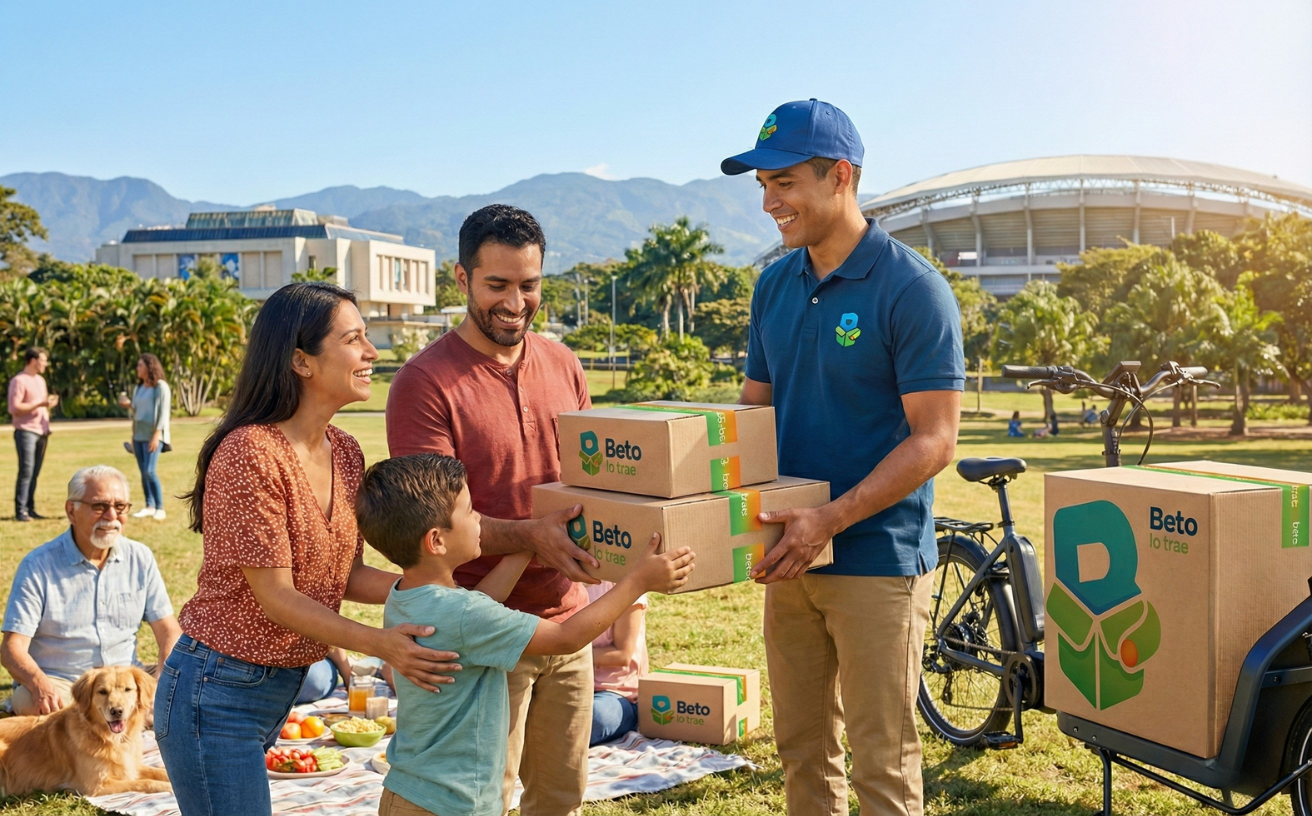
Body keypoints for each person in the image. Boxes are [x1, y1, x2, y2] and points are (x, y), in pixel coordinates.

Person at [723, 100, 963, 816]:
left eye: (786, 182)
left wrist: (827, 519)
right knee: (801, 748)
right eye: (763, 185)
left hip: (876, 563)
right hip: (788, 555)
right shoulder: (773, 285)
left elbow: (935, 440)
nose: (769, 202)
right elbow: (753, 413)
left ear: (841, 177)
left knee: (881, 763)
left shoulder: (913, 289)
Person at [154, 282, 461, 816]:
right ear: (301, 360)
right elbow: (277, 595)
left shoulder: (345, 450)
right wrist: (381, 643)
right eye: (354, 340)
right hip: (215, 694)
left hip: (274, 689)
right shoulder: (250, 453)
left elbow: (343, 574)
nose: (372, 353)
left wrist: (442, 595)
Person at [386, 204, 600, 816]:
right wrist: (534, 533)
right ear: (462, 280)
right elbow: (433, 521)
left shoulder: (564, 364)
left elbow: (589, 481)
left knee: (561, 795)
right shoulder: (424, 383)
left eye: (529, 285)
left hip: (565, 618)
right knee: (483, 800)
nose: (515, 302)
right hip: (476, 636)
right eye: (497, 286)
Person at [354, 453, 694, 816]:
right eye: (470, 512)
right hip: (451, 803)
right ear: (436, 541)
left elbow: (477, 604)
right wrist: (637, 581)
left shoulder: (406, 596)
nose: (478, 519)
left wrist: (529, 541)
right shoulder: (465, 614)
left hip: (410, 792)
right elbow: (565, 638)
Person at [1, 465, 180, 716]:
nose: (111, 516)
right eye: (99, 506)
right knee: (36, 704)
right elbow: (12, 649)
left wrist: (163, 678)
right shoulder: (38, 565)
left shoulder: (140, 557)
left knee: (193, 688)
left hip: (125, 680)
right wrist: (40, 684)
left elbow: (168, 630)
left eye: (120, 507)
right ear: (71, 511)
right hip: (65, 684)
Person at [586, 580, 648, 746]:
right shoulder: (559, 579)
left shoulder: (624, 583)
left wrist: (564, 652)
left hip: (616, 693)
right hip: (566, 684)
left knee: (592, 717)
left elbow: (622, 654)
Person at [118, 353, 172, 520]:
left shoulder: (161, 387)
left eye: (140, 365)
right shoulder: (139, 388)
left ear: (149, 367)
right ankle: (149, 505)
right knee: (143, 472)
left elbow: (164, 413)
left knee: (150, 471)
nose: (137, 368)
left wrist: (157, 435)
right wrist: (128, 405)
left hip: (154, 435)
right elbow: (137, 412)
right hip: (139, 435)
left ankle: (160, 507)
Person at [8, 347, 57, 522]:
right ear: (34, 361)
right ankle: (20, 510)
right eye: (43, 360)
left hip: (42, 432)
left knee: (35, 472)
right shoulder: (19, 381)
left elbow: (40, 404)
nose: (45, 364)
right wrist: (39, 403)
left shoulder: (41, 381)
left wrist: (47, 405)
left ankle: (31, 508)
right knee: (26, 471)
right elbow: (14, 408)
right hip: (26, 431)